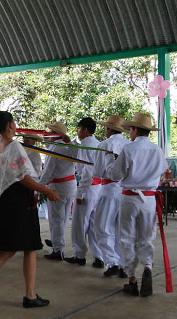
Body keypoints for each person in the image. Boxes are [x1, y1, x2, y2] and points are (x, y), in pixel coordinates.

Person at [0, 110, 59, 308]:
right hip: (18, 200)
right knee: (28, 246)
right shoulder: (14, 146)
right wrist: (46, 191)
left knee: (14, 248)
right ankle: (29, 295)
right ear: (10, 126)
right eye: (14, 123)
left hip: (6, 200)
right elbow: (23, 177)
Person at [105, 113, 166, 297]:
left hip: (130, 198)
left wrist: (111, 160)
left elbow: (115, 174)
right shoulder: (157, 150)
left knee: (127, 238)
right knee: (146, 237)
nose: (129, 133)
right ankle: (147, 265)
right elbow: (162, 171)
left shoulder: (129, 149)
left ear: (135, 130)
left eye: (130, 129)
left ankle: (132, 278)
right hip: (148, 199)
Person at [93, 115, 130, 277]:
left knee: (102, 226)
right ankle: (123, 263)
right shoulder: (129, 145)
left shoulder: (105, 144)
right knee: (121, 229)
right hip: (126, 190)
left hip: (109, 188)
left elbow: (98, 171)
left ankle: (112, 261)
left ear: (109, 129)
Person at [65, 118, 102, 267]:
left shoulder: (87, 145)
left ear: (86, 130)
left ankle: (79, 255)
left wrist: (80, 192)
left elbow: (87, 171)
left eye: (79, 128)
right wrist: (69, 142)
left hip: (88, 187)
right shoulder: (97, 143)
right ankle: (98, 256)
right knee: (93, 224)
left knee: (80, 223)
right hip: (97, 188)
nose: (77, 131)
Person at [38, 122, 77, 261]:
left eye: (50, 132)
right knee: (63, 218)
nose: (47, 134)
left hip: (59, 187)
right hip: (70, 185)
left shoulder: (55, 148)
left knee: (56, 219)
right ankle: (58, 243)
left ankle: (57, 249)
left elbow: (47, 171)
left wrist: (39, 188)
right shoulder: (68, 146)